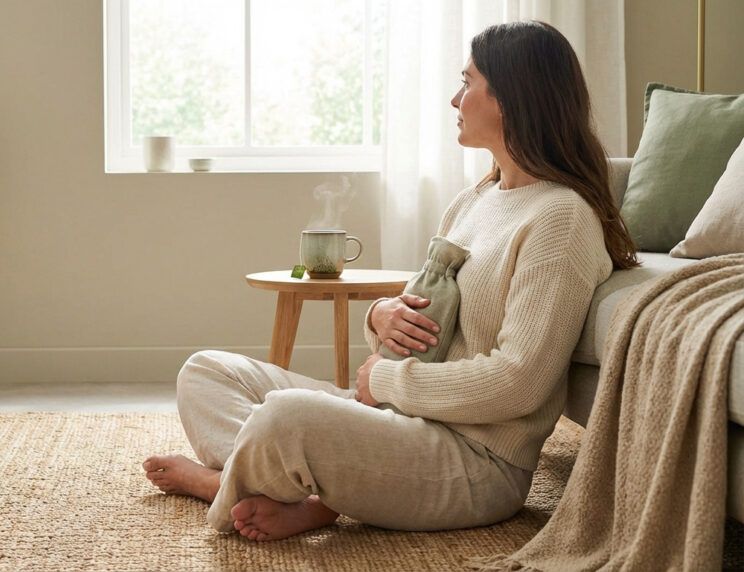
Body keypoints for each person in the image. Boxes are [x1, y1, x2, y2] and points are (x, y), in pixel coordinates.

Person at [143, 20, 639, 542]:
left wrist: (384, 382)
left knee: (285, 418)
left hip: (473, 461)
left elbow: (520, 382)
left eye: (467, 82)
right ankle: (297, 489)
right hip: (397, 417)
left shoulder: (561, 219)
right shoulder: (472, 201)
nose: (455, 98)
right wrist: (379, 315)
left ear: (511, 98)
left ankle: (220, 485)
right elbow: (424, 318)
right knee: (205, 371)